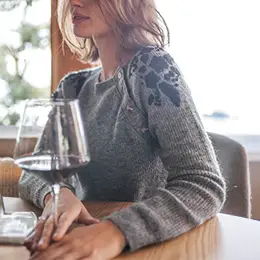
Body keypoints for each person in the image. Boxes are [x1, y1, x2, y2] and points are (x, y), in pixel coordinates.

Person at [19, 0, 226, 259]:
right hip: (83, 241)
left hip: (154, 247)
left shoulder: (153, 69)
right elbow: (32, 174)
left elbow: (203, 183)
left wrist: (117, 231)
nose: (74, 2)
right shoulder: (72, 87)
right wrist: (57, 195)